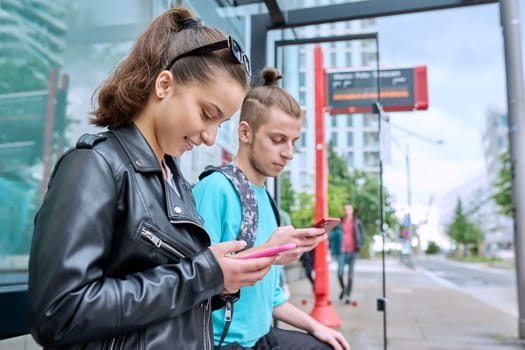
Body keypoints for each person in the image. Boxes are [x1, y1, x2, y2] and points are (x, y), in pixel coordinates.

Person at [27, 7, 276, 349]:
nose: (210, 137)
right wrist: (204, 274)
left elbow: (167, 294)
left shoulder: (175, 183)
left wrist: (218, 283)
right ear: (164, 85)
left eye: (221, 124)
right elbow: (60, 312)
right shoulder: (93, 167)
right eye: (207, 114)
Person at [193, 67, 350, 350]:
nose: (288, 152)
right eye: (278, 140)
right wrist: (271, 250)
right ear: (245, 132)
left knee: (330, 346)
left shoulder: (266, 199)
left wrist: (317, 327)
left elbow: (274, 298)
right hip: (221, 343)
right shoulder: (215, 189)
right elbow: (197, 280)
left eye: (293, 142)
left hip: (262, 337)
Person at [329, 204, 365, 305]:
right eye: (345, 209)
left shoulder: (357, 222)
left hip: (352, 252)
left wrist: (360, 244)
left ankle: (348, 296)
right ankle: (344, 289)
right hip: (341, 252)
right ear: (343, 211)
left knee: (350, 276)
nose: (347, 211)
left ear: (352, 210)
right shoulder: (339, 223)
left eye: (349, 209)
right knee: (339, 273)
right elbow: (333, 238)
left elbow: (362, 235)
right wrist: (333, 252)